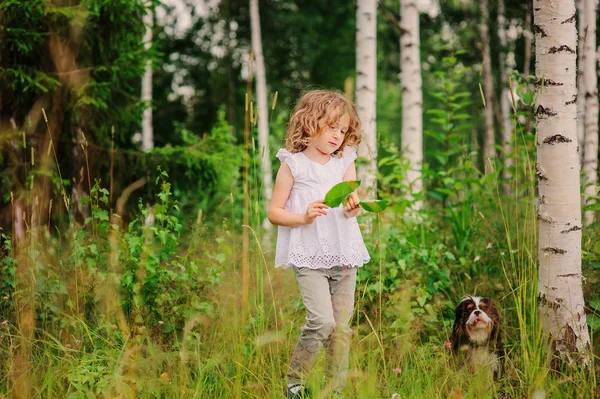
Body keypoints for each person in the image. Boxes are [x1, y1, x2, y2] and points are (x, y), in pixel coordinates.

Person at [268, 89, 371, 398]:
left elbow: (351, 204)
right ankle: (294, 383)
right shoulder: (293, 164)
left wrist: (354, 208)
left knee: (340, 328)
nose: (337, 136)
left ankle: (335, 390)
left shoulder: (345, 162)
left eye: (342, 130)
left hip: (343, 255)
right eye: (331, 127)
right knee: (321, 321)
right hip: (310, 257)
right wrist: (303, 217)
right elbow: (274, 212)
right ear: (311, 123)